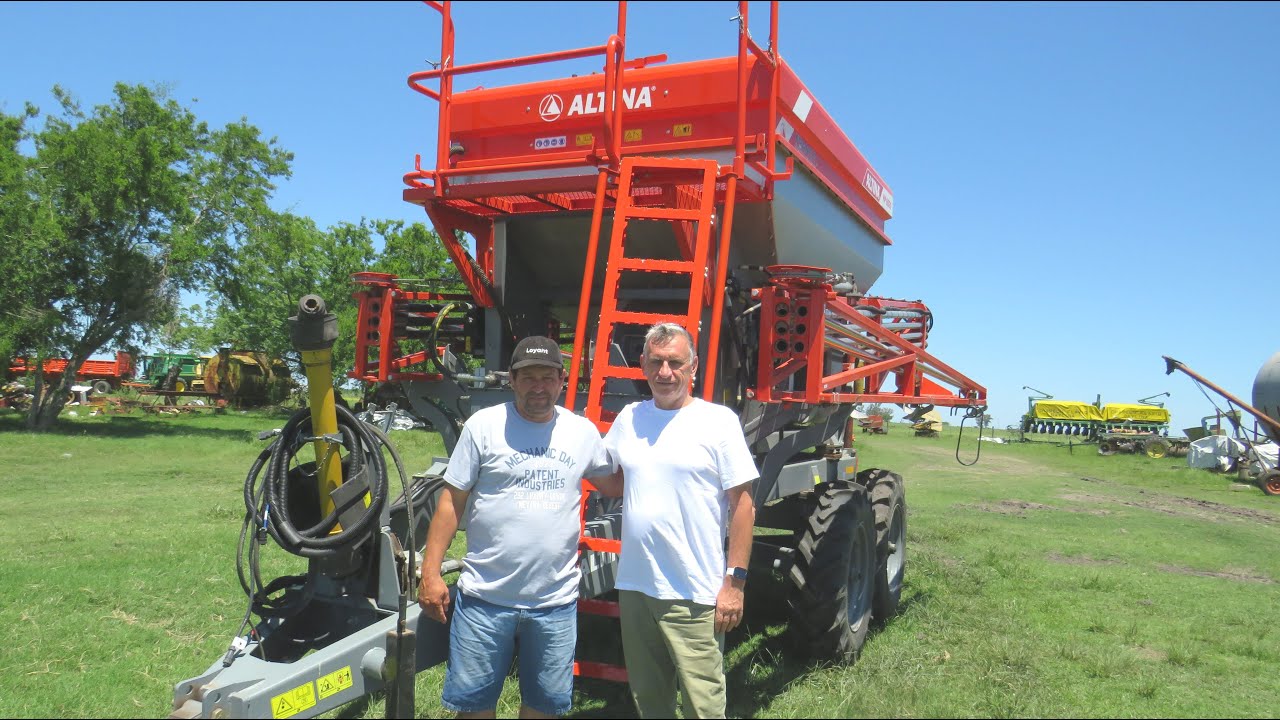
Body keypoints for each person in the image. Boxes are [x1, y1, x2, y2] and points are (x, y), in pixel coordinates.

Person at [418, 335, 614, 719]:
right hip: (485, 600)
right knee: (474, 710)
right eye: (527, 377)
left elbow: (616, 482)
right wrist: (430, 573)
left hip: (553, 603)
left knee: (542, 709)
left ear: (561, 380)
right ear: (511, 379)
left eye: (546, 377)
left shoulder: (582, 432)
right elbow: (451, 501)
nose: (537, 387)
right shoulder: (483, 426)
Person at [601, 322, 759, 719]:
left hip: (694, 592)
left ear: (694, 367)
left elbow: (743, 505)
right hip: (637, 587)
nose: (665, 372)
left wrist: (734, 584)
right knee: (649, 701)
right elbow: (615, 482)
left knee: (703, 705)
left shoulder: (718, 421)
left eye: (675, 362)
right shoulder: (630, 417)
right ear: (642, 364)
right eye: (656, 362)